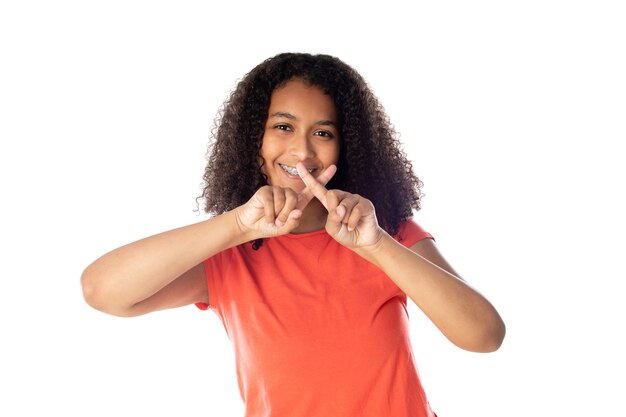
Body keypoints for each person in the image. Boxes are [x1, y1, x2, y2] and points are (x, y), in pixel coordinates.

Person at [81, 52, 506, 417]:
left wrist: (378, 246)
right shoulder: (231, 254)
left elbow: (485, 336)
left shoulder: (385, 234)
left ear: (347, 148)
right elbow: (103, 290)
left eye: (323, 133)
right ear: (254, 141)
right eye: (283, 127)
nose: (302, 151)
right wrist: (236, 225)